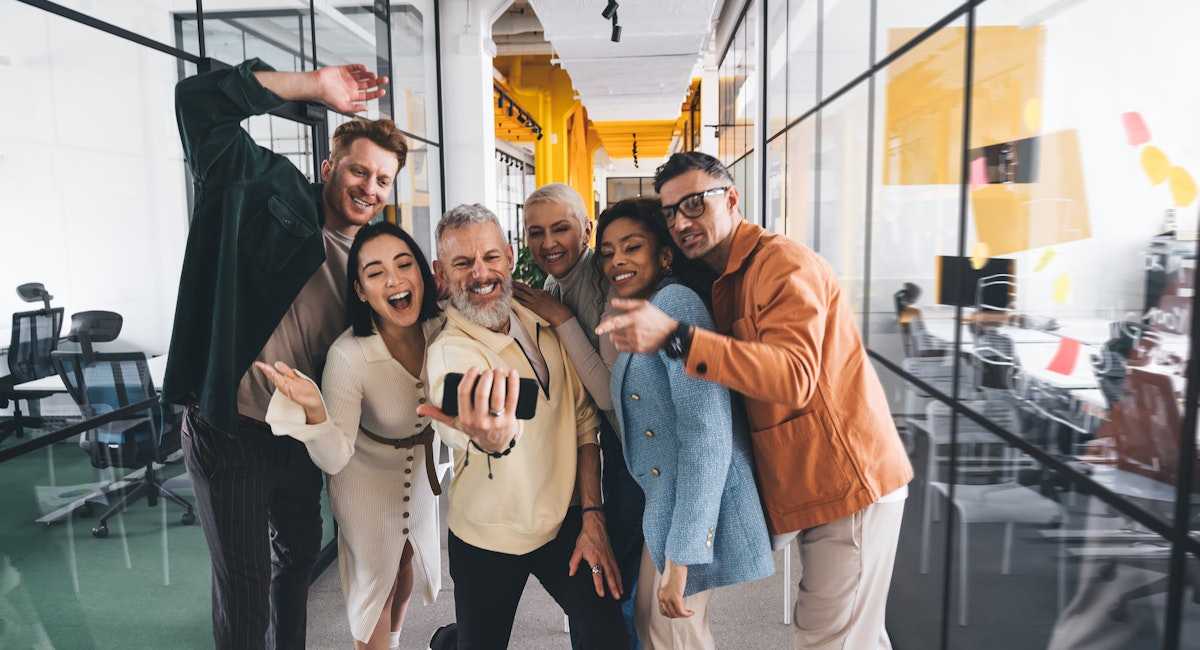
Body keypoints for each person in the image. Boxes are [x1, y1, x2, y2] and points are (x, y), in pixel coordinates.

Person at [596, 152, 913, 649]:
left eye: (695, 204)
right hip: (809, 487)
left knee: (829, 638)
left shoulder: (782, 264)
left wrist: (676, 339)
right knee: (856, 632)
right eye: (671, 212)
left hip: (848, 484)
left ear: (732, 198)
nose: (682, 221)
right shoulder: (726, 279)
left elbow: (795, 376)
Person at [165, 58, 402, 649]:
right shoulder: (265, 188)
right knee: (244, 596)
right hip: (232, 428)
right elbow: (199, 104)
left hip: (299, 436)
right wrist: (313, 87)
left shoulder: (376, 265)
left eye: (382, 181)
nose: (368, 188)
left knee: (295, 564)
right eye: (358, 171)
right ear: (328, 166)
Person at [418, 204, 629, 650]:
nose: (480, 273)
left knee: (607, 634)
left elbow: (583, 422)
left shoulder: (543, 319)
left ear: (510, 257)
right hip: (487, 536)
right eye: (462, 263)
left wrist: (593, 517)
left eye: (490, 257)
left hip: (564, 523)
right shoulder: (449, 352)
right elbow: (460, 418)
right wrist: (491, 438)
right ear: (441, 272)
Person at [254, 222, 444, 650]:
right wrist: (315, 410)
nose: (394, 279)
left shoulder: (440, 329)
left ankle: (392, 643)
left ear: (422, 273)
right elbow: (336, 456)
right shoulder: (349, 355)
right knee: (373, 585)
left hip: (419, 475)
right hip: (363, 478)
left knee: (406, 561)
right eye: (375, 273)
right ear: (359, 290)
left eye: (403, 264)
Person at [597, 198, 773, 649]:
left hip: (687, 514)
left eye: (632, 247)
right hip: (667, 508)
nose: (617, 259)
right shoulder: (643, 310)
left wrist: (682, 558)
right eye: (608, 251)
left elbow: (707, 434)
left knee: (674, 635)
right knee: (657, 628)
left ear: (665, 255)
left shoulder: (676, 304)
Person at [512, 183, 644, 648]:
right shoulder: (553, 285)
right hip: (606, 442)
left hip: (638, 446)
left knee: (628, 580)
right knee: (609, 577)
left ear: (586, 230)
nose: (548, 243)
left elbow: (609, 395)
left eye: (561, 228)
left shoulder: (607, 284)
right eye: (536, 232)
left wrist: (560, 319)